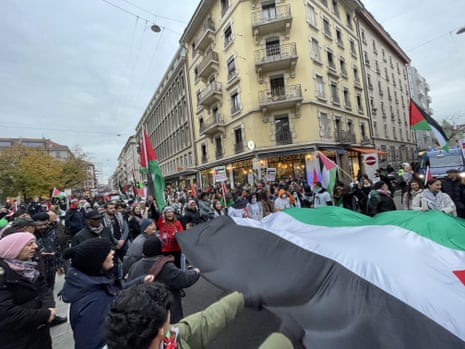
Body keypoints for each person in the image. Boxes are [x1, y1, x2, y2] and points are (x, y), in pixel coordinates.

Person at [104, 282, 304, 349]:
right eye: (168, 316)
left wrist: (241, 299)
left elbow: (199, 326)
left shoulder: (158, 339)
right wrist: (284, 338)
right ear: (158, 330)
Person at [60, 238, 154, 349]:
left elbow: (116, 291)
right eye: (107, 251)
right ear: (96, 260)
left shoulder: (93, 284)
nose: (112, 252)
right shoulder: (94, 303)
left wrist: (141, 281)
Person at [0, 232, 56, 349]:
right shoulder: (4, 275)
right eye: (29, 244)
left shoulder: (31, 267)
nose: (35, 247)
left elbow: (45, 290)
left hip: (40, 334)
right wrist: (44, 314)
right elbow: (7, 313)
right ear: (14, 249)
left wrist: (49, 308)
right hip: (16, 340)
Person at [127, 236, 200, 323]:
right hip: (166, 316)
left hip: (142, 316)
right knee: (169, 335)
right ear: (160, 249)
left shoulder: (134, 267)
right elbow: (185, 279)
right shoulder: (166, 267)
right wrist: (196, 272)